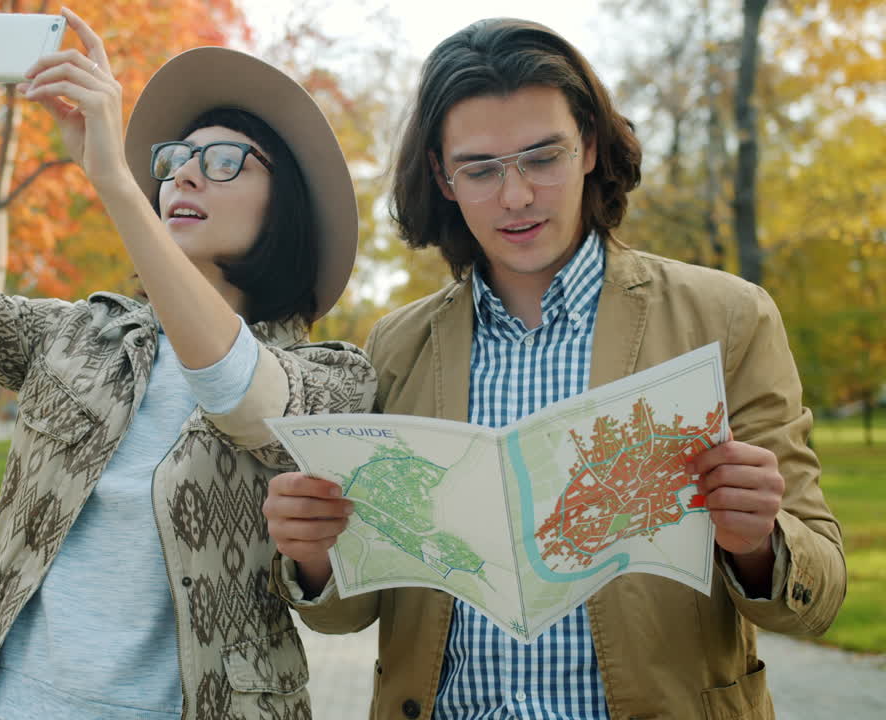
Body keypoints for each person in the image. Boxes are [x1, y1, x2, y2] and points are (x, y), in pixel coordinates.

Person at [262, 17, 846, 720]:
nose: (516, 196)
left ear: (590, 146)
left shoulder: (727, 319)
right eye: (481, 169)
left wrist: (758, 544)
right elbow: (347, 614)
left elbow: (818, 600)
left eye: (542, 158)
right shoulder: (395, 346)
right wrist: (314, 553)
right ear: (443, 178)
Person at [0, 2, 375, 718]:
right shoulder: (76, 336)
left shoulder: (334, 379)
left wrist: (114, 180)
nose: (184, 176)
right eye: (174, 161)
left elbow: (240, 392)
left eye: (223, 161)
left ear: (287, 207)